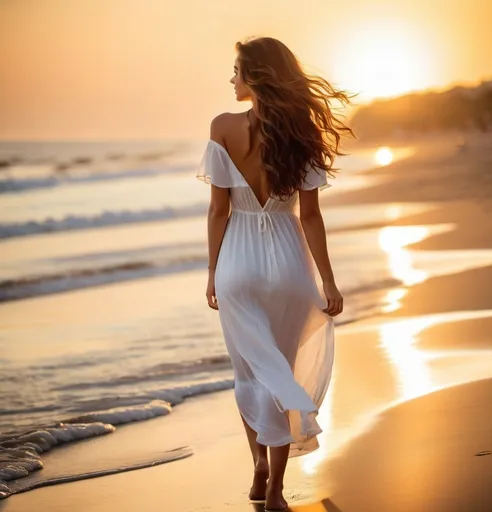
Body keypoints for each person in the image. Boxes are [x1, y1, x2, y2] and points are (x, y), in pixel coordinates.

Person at [197, 36, 351, 511]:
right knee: (280, 373)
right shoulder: (302, 132)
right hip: (288, 264)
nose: (232, 79)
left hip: (236, 265)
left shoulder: (222, 127)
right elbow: (310, 218)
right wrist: (328, 280)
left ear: (257, 75)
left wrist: (212, 272)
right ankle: (277, 488)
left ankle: (258, 465)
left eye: (238, 70)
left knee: (248, 372)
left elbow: (218, 212)